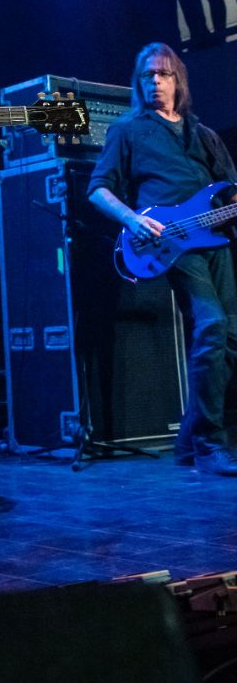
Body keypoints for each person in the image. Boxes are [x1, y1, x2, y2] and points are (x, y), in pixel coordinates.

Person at [88, 42, 237, 476]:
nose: (155, 81)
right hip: (171, 241)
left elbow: (228, 190)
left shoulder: (203, 134)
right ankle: (209, 443)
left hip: (216, 241)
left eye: (163, 74)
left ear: (178, 81)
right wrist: (132, 220)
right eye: (147, 75)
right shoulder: (128, 130)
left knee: (230, 336)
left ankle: (189, 440)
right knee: (211, 324)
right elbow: (98, 189)